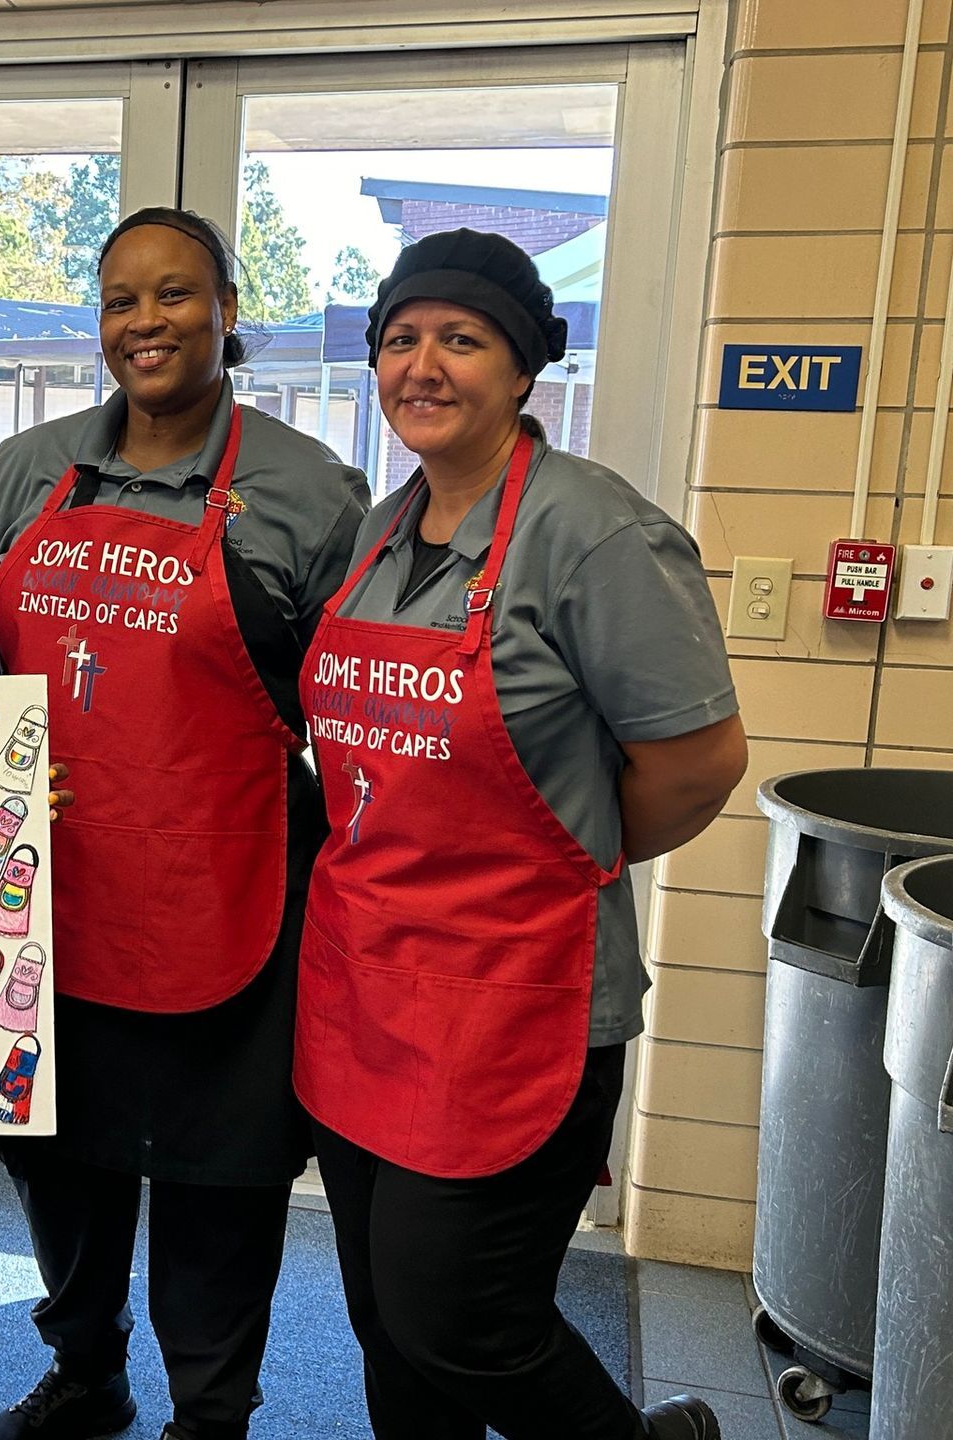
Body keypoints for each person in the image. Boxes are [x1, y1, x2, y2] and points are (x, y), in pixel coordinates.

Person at [295, 228, 748, 1440]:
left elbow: (699, 766)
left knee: (466, 1320)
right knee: (386, 1322)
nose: (422, 366)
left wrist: (547, 861)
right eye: (400, 339)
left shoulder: (596, 535)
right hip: (366, 987)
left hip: (515, 997)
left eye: (461, 338)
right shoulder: (379, 532)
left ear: (522, 366)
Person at [0, 209, 369, 1440]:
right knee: (58, 1167)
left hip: (228, 893)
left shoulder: (310, 491)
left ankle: (212, 1413)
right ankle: (86, 1372)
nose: (147, 322)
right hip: (47, 901)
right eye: (121, 299)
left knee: (219, 1182)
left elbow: (350, 710)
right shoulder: (30, 470)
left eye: (177, 294)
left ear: (230, 311)